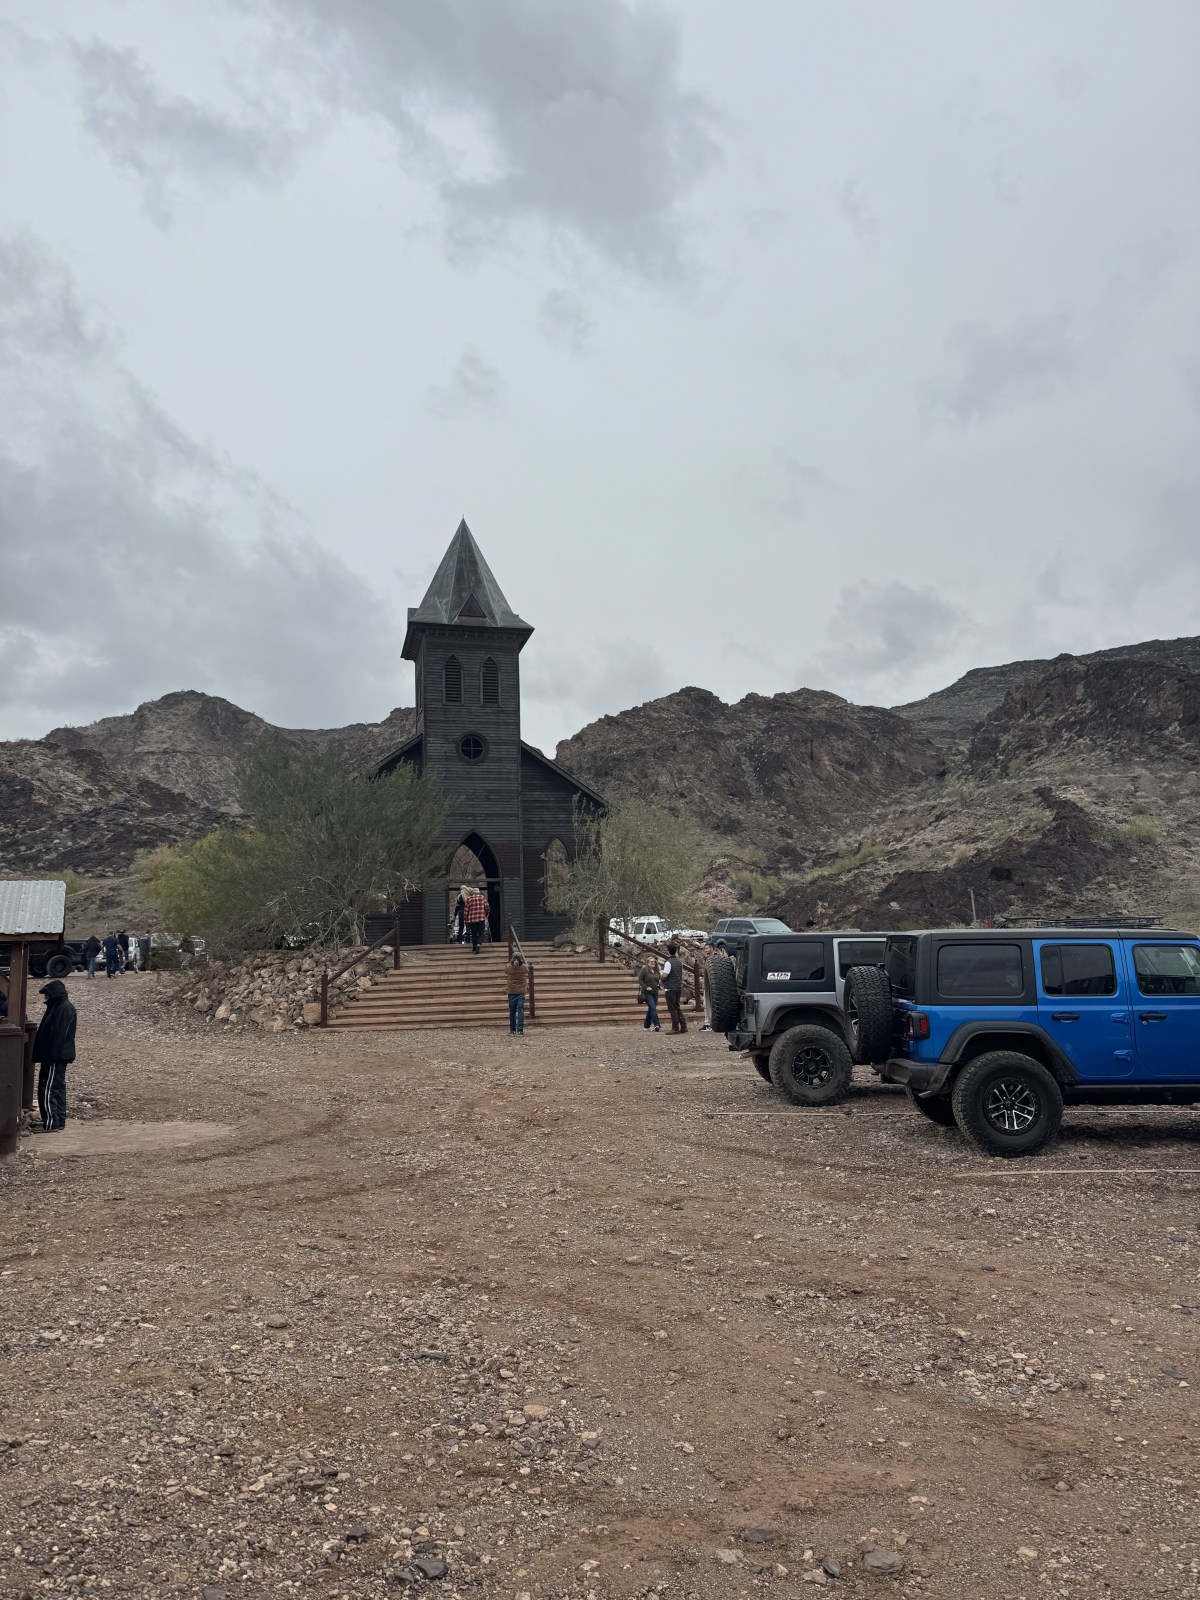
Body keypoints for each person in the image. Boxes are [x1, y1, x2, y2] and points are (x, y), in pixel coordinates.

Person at [31, 979, 77, 1133]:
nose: (46, 999)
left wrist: (51, 1055)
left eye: (47, 995)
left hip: (54, 1057)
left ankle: (51, 1123)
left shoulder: (62, 1008)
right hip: (56, 1056)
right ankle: (58, 1121)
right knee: (56, 1088)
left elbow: (58, 1035)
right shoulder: (61, 1007)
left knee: (48, 1088)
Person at [661, 942, 688, 1034]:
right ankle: (683, 1026)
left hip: (670, 988)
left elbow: (665, 975)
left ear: (668, 951)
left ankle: (675, 1027)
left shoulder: (668, 962)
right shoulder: (679, 962)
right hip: (678, 987)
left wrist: (661, 978)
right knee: (677, 1007)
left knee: (672, 1008)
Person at [637, 955, 662, 1032]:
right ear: (647, 962)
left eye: (654, 961)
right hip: (647, 993)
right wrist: (646, 987)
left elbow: (659, 979)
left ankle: (646, 1025)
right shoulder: (644, 970)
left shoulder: (657, 970)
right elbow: (640, 980)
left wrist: (659, 985)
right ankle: (657, 1025)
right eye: (651, 961)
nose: (653, 963)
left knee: (651, 1009)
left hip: (655, 992)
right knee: (653, 1008)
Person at [506, 949, 528, 1035]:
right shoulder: (524, 967)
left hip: (511, 991)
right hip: (521, 992)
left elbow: (505, 971)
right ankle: (520, 1030)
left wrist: (511, 962)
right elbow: (526, 971)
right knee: (520, 1011)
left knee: (512, 1011)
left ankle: (512, 1030)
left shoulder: (509, 967)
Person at [463, 884, 489, 955]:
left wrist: (465, 919)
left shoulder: (469, 899)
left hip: (472, 920)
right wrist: (486, 915)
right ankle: (478, 944)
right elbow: (487, 907)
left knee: (474, 934)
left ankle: (474, 947)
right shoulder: (482, 898)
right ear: (478, 892)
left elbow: (466, 910)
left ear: (473, 893)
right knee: (481, 934)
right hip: (481, 919)